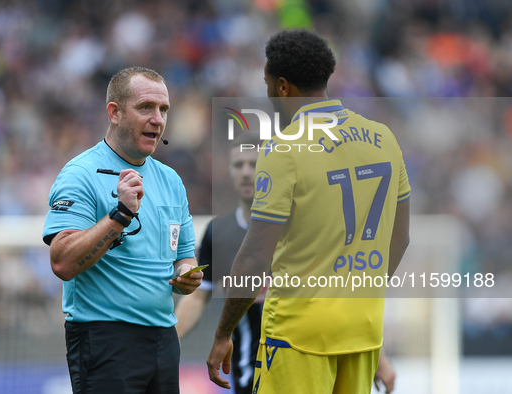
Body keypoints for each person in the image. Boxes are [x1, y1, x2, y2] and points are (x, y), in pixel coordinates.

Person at [206, 29, 410, 394]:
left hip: (297, 335)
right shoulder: (384, 139)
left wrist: (223, 333)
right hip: (362, 330)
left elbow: (254, 257)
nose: (267, 94)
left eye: (267, 83)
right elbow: (402, 237)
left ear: (283, 87)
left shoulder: (283, 149)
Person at [42, 66, 203, 394]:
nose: (158, 119)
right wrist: (120, 214)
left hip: (163, 338)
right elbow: (62, 262)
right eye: (146, 107)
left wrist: (188, 275)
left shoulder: (171, 180)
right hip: (104, 339)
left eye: (164, 110)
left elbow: (184, 257)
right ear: (114, 113)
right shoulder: (80, 174)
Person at [175, 132, 264, 394]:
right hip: (247, 373)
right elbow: (198, 297)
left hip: (301, 367)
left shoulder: (298, 229)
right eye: (239, 165)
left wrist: (378, 357)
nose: (246, 172)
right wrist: (169, 343)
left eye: (255, 164)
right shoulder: (219, 232)